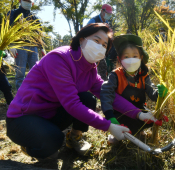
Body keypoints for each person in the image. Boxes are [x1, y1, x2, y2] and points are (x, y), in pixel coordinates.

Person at [6, 23, 149, 160]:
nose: (100, 46)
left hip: (50, 113)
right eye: (96, 40)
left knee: (87, 99)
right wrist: (109, 126)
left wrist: (138, 113)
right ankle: (29, 146)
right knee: (53, 143)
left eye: (104, 45)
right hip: (23, 118)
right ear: (82, 39)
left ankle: (74, 137)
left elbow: (109, 96)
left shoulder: (90, 68)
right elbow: (71, 104)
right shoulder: (58, 59)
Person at [100, 34, 168, 143]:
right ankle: (118, 134)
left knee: (150, 118)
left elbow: (152, 92)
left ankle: (139, 131)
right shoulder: (115, 75)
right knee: (126, 122)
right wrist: (109, 115)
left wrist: (159, 93)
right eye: (126, 57)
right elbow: (106, 92)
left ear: (141, 58)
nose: (131, 60)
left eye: (135, 56)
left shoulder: (144, 76)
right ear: (119, 59)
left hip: (139, 110)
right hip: (120, 113)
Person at [7, 0, 46, 90]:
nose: (28, 2)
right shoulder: (13, 13)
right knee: (20, 74)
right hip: (20, 46)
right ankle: (21, 99)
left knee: (36, 73)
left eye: (30, 1)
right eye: (26, 0)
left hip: (34, 48)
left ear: (32, 3)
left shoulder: (34, 17)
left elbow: (39, 33)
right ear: (20, 1)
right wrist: (11, 45)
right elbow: (8, 30)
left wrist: (42, 48)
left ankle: (34, 96)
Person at [87, 4, 113, 80]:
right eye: (108, 13)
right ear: (102, 11)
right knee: (96, 68)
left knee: (103, 68)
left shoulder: (107, 23)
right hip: (92, 49)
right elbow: (86, 34)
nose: (109, 15)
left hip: (101, 49)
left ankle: (101, 86)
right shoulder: (93, 21)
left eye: (110, 14)